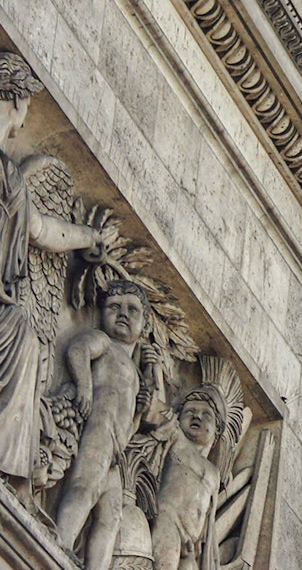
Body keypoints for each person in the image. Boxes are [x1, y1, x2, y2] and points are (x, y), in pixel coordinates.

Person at [0, 51, 103, 499]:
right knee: (21, 333)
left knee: (20, 331)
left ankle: (10, 474)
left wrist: (85, 237)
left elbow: (41, 231)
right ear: (16, 100)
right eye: (22, 106)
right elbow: (43, 232)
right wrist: (88, 237)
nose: (21, 123)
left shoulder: (10, 175)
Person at [54, 280, 150, 570]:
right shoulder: (104, 343)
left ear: (144, 325)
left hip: (117, 449)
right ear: (100, 313)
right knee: (85, 487)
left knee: (111, 515)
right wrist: (84, 386)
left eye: (132, 310)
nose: (123, 314)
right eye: (114, 307)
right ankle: (61, 543)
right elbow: (78, 349)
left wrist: (138, 414)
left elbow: (129, 424)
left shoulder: (134, 371)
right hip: (98, 427)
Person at [150, 383, 225, 570]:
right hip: (168, 522)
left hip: (191, 545)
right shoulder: (177, 438)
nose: (197, 416)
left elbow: (208, 516)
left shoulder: (214, 474)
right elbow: (152, 410)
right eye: (190, 411)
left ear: (216, 430)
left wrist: (200, 546)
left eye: (206, 414)